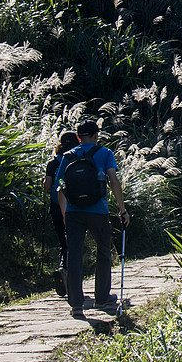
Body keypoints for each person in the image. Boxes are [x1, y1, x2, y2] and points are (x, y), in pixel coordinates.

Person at [55, 120, 130, 319]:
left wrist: (65, 213)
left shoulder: (68, 156)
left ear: (79, 137)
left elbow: (60, 185)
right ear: (96, 135)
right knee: (104, 250)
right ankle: (102, 297)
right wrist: (122, 209)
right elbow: (113, 180)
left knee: (74, 256)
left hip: (73, 212)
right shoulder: (104, 154)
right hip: (98, 211)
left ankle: (77, 305)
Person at [43, 130, 80, 296]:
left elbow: (47, 186)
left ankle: (62, 268)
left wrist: (44, 181)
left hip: (56, 205)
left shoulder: (53, 162)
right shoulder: (78, 158)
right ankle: (67, 272)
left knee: (63, 241)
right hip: (75, 206)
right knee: (74, 241)